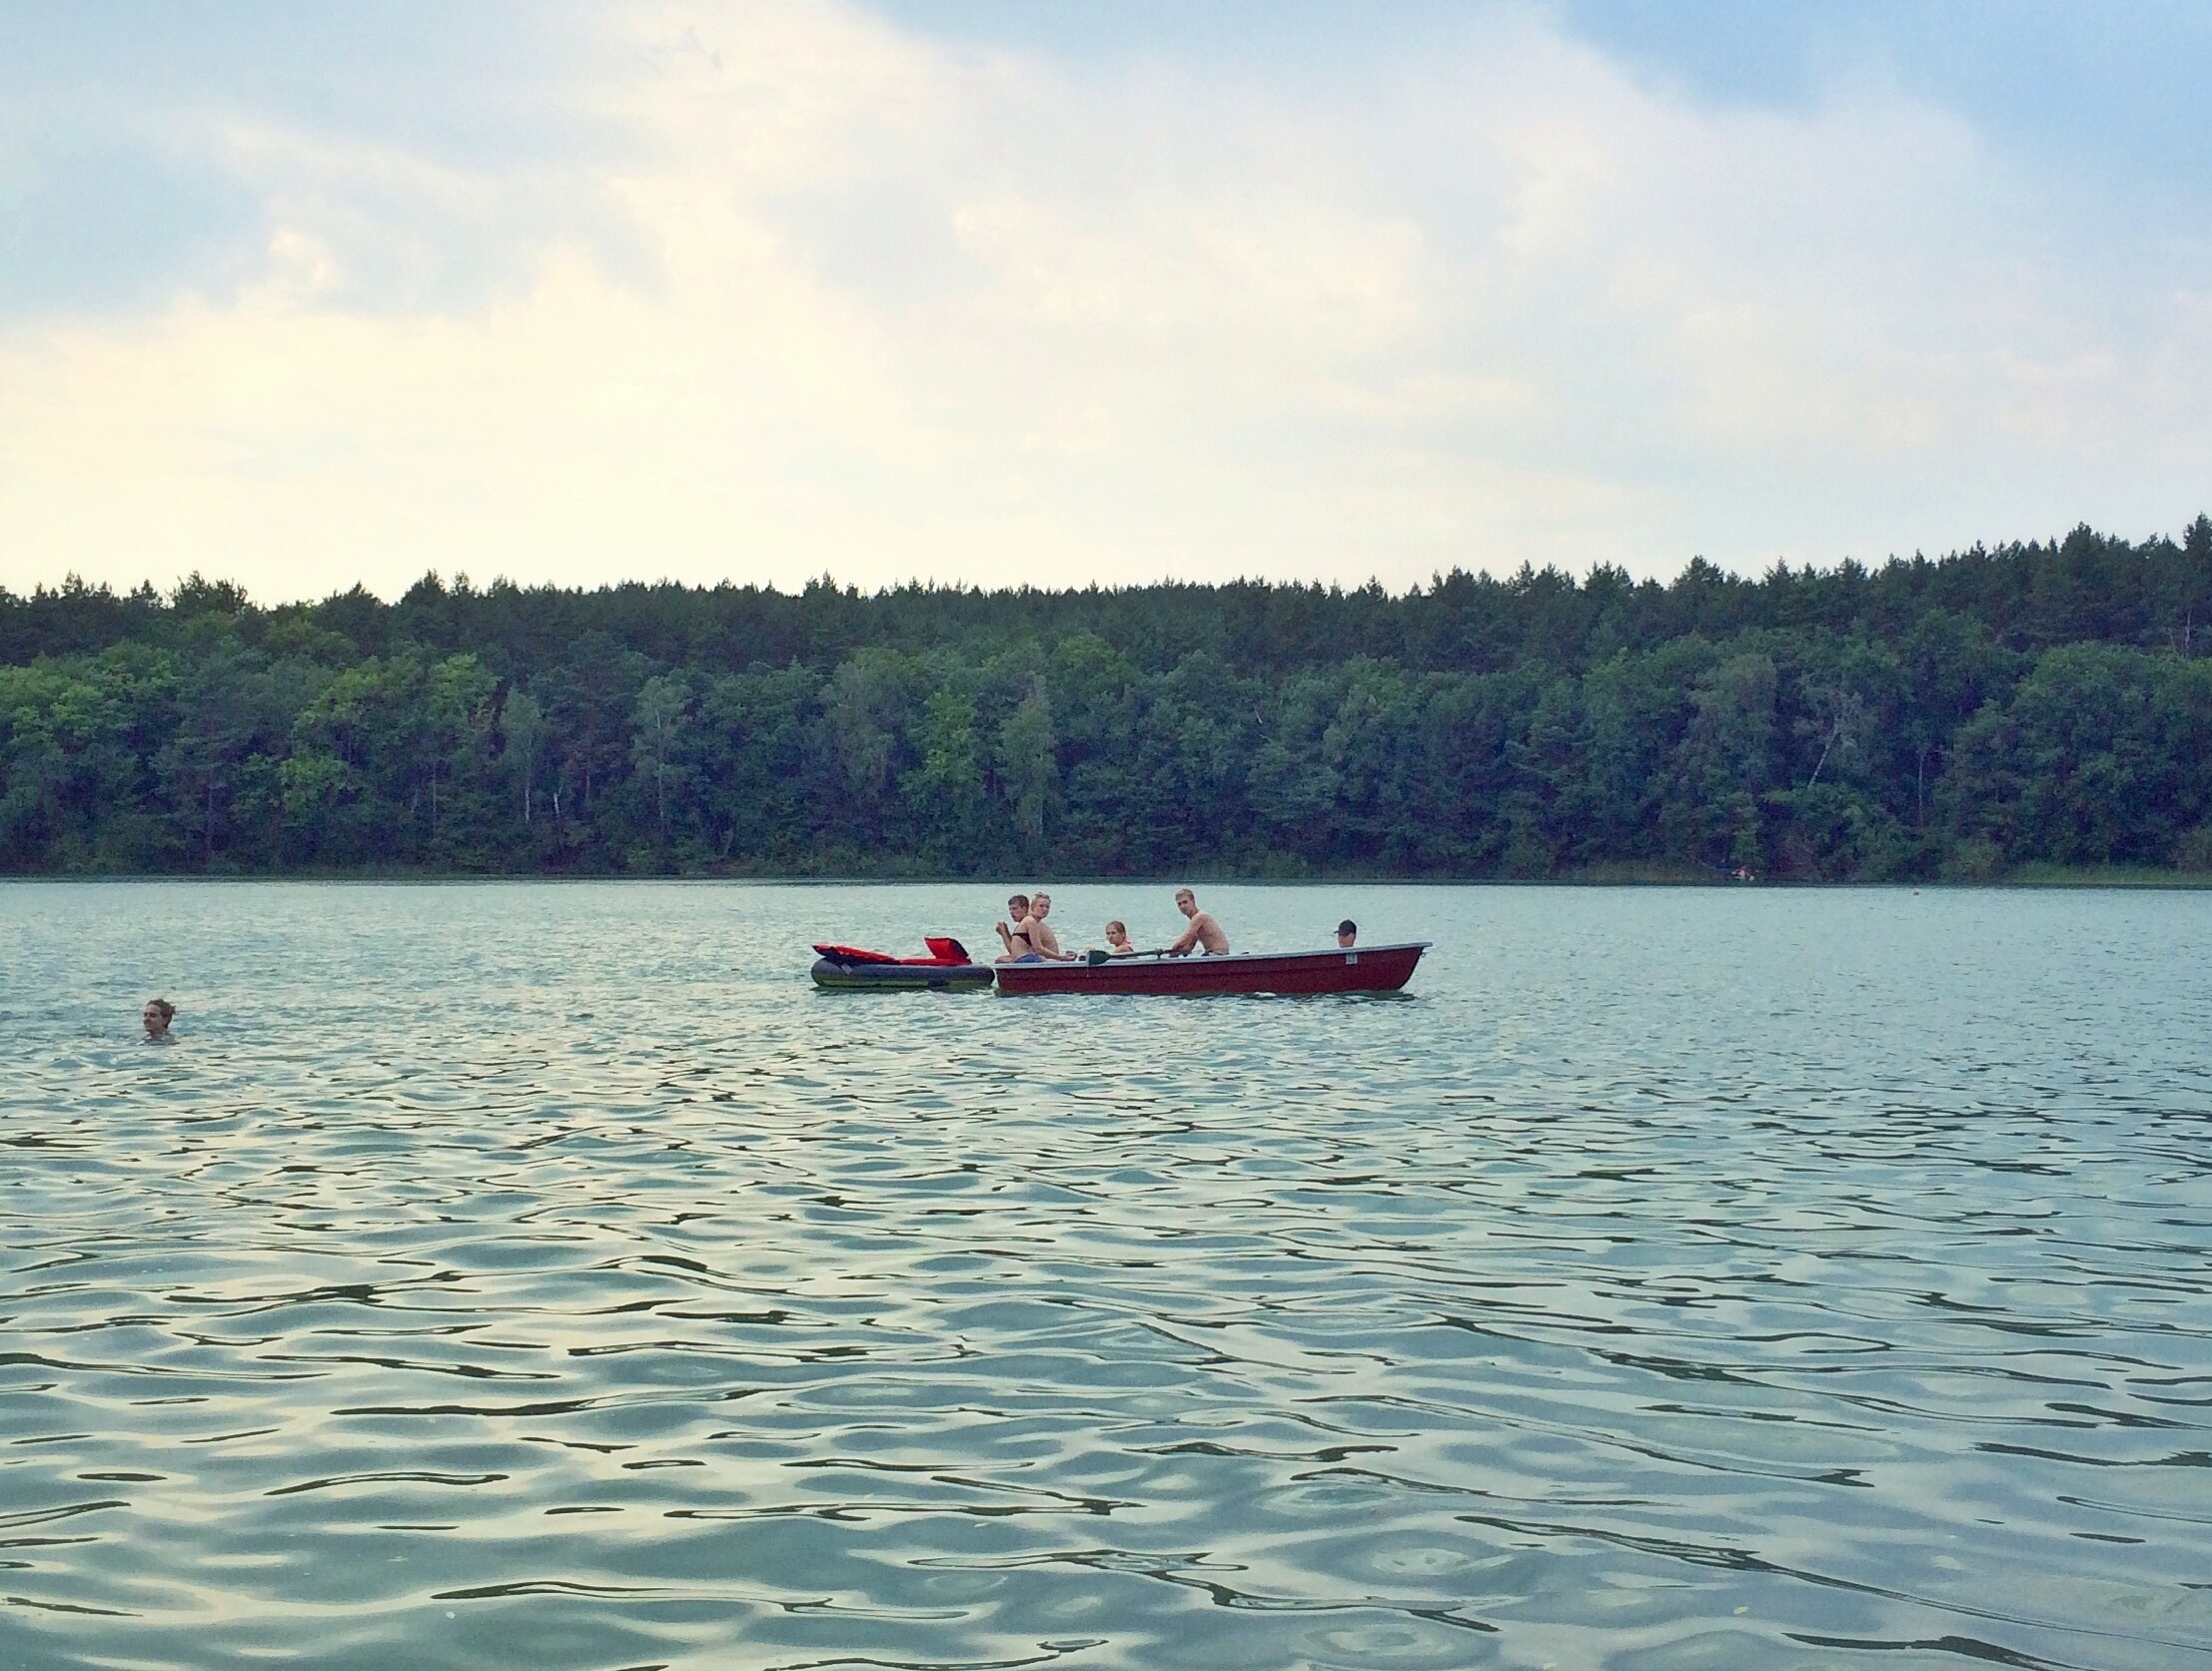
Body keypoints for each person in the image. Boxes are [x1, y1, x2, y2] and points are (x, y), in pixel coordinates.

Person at [1165, 888, 1229, 956]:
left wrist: (1174, 948)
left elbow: (1186, 937)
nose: (1182, 906)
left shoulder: (1199, 916)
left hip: (1218, 954)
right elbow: (1189, 946)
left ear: (1193, 901)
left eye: (1185, 902)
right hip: (1215, 954)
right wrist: (1177, 952)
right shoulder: (1196, 923)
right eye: (1179, 904)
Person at [1025, 892, 1078, 961]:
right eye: (1041, 906)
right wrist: (1062, 957)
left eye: (1047, 907)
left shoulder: (1038, 924)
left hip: (1051, 961)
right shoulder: (1031, 923)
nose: (1045, 909)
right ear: (1033, 907)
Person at [994, 894, 1033, 962]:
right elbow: (1016, 949)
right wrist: (1006, 932)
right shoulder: (1027, 922)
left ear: (1025, 909)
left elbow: (1015, 953)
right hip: (1036, 958)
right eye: (1010, 909)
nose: (1011, 912)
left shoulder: (1027, 922)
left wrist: (1003, 933)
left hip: (1040, 960)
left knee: (1000, 960)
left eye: (1015, 908)